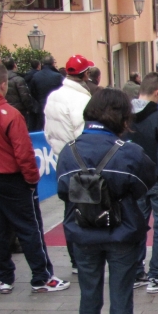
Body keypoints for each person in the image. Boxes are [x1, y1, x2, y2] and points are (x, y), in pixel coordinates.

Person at [57, 88, 155, 314]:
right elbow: (145, 184)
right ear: (121, 115)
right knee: (121, 302)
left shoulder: (69, 150)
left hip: (83, 233)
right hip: (122, 233)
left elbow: (63, 190)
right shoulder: (128, 151)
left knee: (89, 299)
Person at [0, 64, 69, 294]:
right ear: (3, 85)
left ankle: (4, 277)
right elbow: (24, 152)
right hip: (11, 178)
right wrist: (31, 179)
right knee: (30, 228)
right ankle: (41, 276)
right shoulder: (9, 114)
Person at [123, 72, 158, 294]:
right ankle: (157, 275)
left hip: (133, 180)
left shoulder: (125, 117)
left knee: (137, 225)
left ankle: (137, 271)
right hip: (157, 180)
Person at [44, 54, 95, 273]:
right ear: (84, 74)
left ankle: (76, 258)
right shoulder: (81, 100)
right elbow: (82, 131)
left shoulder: (53, 97)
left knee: (70, 209)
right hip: (80, 160)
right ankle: (83, 257)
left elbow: (48, 132)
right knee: (86, 209)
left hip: (62, 159)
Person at [29, 55, 64, 130]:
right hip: (56, 107)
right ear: (52, 64)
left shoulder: (35, 76)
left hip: (42, 106)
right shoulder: (58, 76)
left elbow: (32, 92)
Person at [3, 58, 35, 128]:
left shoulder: (0, 80)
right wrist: (29, 108)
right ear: (14, 65)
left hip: (5, 110)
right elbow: (25, 96)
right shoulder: (19, 79)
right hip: (20, 110)